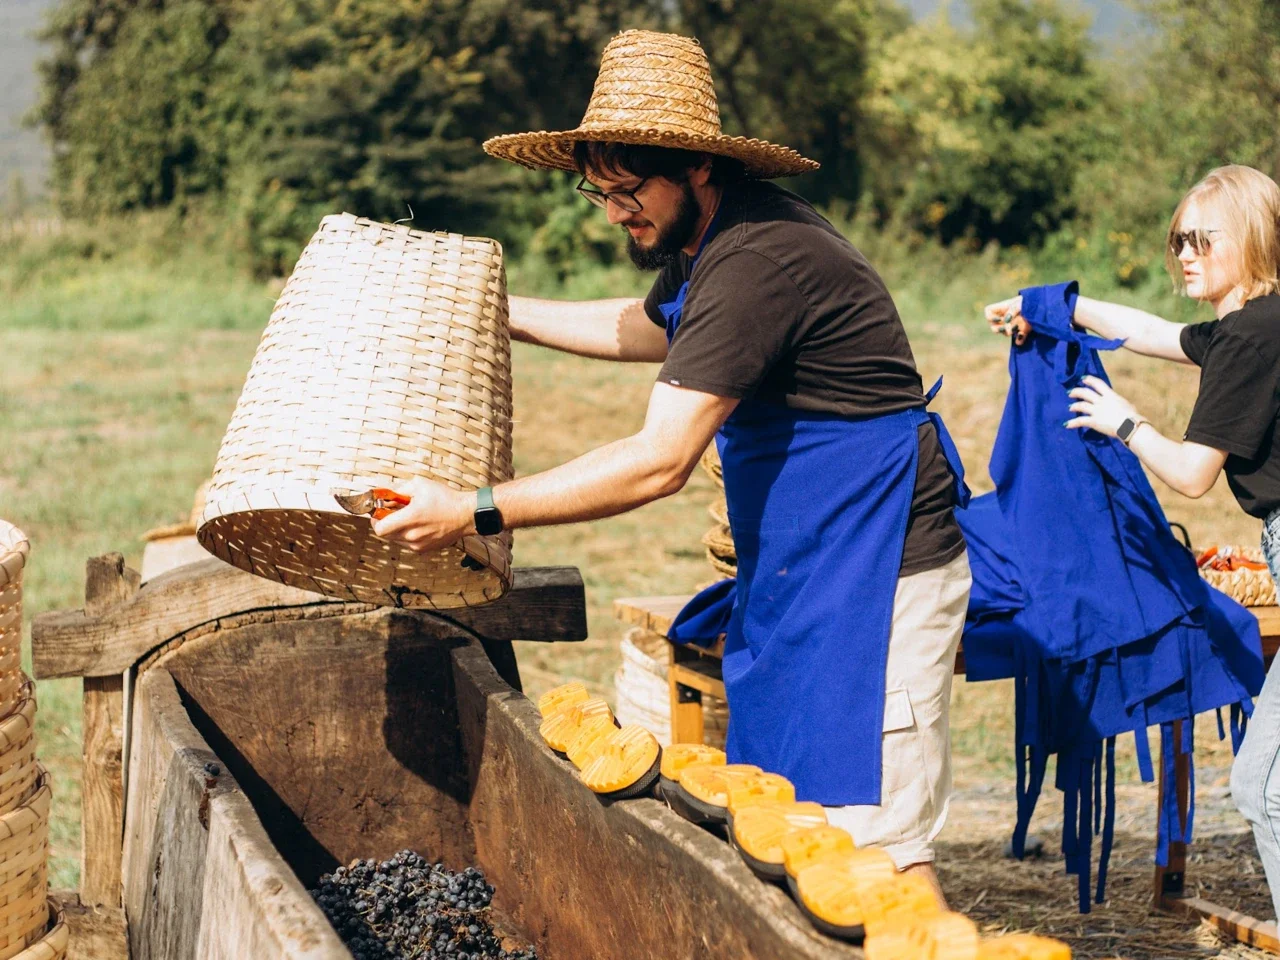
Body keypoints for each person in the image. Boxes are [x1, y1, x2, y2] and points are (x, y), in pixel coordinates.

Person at [373, 29, 970, 900]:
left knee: (879, 847)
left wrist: (474, 509)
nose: (614, 212)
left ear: (697, 166)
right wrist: (497, 310)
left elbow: (658, 462)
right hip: (806, 566)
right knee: (796, 823)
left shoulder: (756, 258)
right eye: (599, 190)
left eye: (630, 190)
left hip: (877, 571)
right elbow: (653, 326)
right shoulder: (713, 244)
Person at [984, 163, 1280, 920]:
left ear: (1251, 239)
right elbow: (1148, 332)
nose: (1184, 254)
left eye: (1202, 239)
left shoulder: (1251, 340)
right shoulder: (1253, 326)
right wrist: (1049, 305)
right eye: (1178, 239)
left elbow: (1191, 476)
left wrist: (1124, 422)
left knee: (1261, 788)